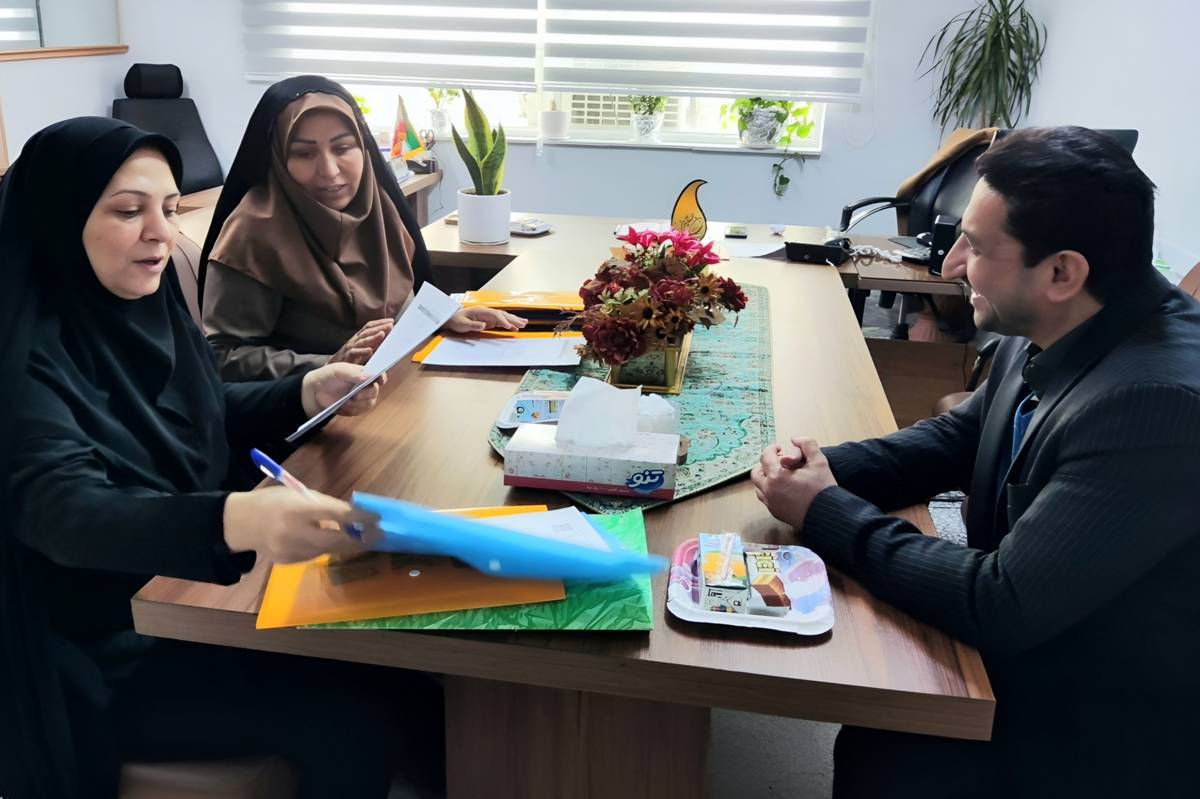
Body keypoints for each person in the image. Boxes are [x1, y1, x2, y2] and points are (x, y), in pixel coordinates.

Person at [0, 118, 443, 798]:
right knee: (353, 718)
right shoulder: (23, 361)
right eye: (129, 211)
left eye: (170, 208)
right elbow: (66, 510)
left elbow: (198, 408)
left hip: (191, 597)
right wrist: (236, 520)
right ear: (60, 219)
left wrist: (304, 390)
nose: (161, 233)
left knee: (410, 671)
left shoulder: (143, 307)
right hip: (109, 650)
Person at [751, 127, 1200, 797]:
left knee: (889, 731)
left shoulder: (1155, 403)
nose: (952, 265)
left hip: (1104, 722)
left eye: (977, 247)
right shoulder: (1069, 317)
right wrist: (816, 467)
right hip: (1053, 638)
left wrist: (823, 509)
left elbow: (1001, 601)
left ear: (1062, 272)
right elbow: (958, 438)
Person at [200, 75, 523, 380]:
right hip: (312, 409)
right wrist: (328, 366)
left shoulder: (378, 209)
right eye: (304, 153)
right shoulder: (253, 233)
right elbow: (220, 356)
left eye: (342, 148)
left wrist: (445, 316)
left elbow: (398, 305)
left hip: (393, 385)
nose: (329, 170)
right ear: (278, 157)